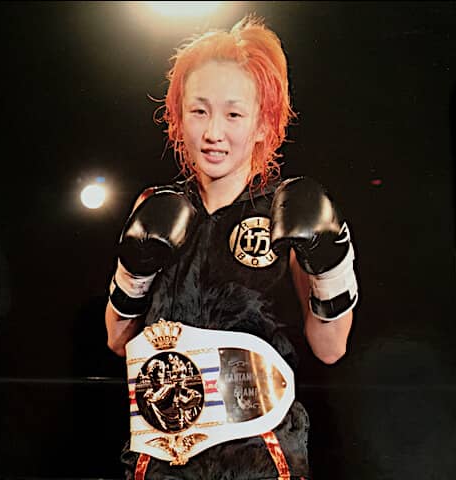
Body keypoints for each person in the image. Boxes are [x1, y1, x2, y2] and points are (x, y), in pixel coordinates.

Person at [105, 14, 359, 480]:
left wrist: (331, 265)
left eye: (233, 114)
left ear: (263, 124)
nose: (213, 132)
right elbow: (118, 340)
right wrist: (132, 273)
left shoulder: (286, 209)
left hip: (258, 459)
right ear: (178, 116)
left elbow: (330, 348)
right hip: (160, 459)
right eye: (199, 111)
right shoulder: (155, 206)